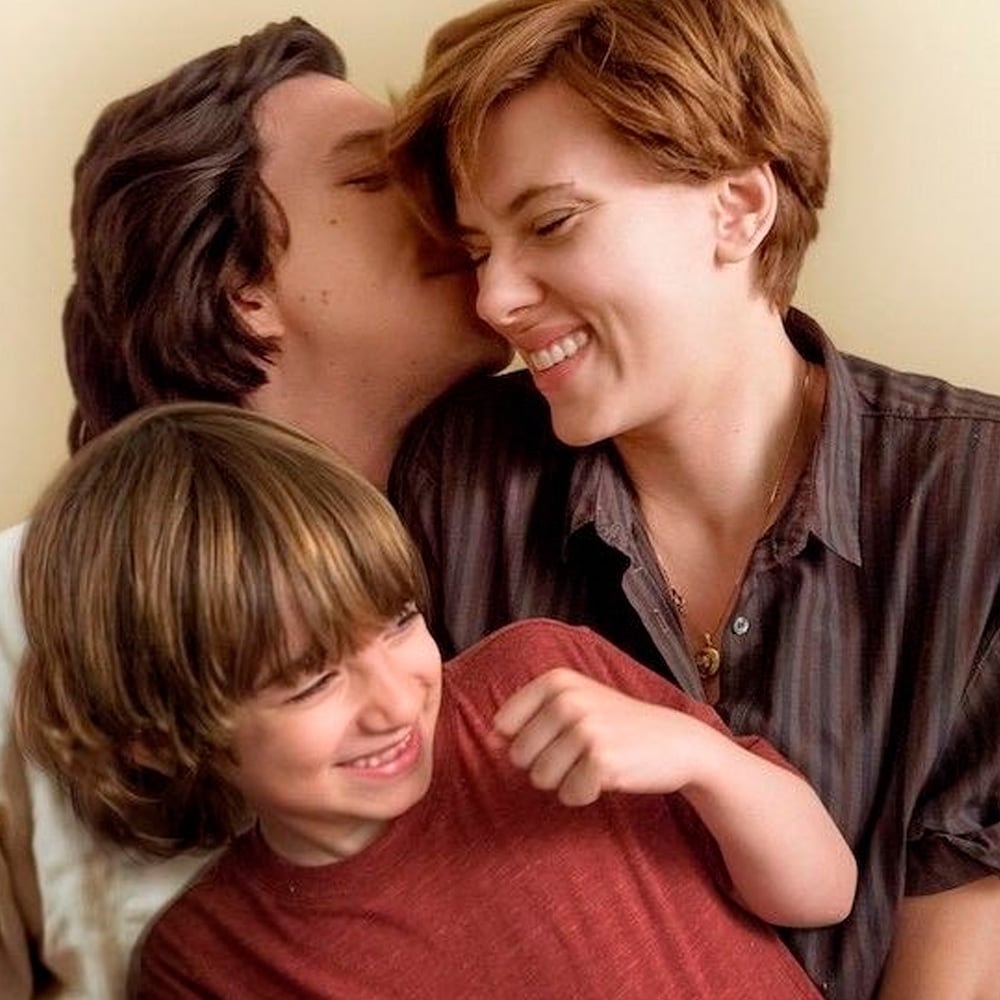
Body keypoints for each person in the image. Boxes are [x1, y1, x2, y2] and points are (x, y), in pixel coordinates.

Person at [386, 1, 1000, 998]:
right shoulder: (455, 484)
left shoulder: (977, 502)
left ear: (739, 207)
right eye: (478, 249)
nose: (494, 301)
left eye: (551, 222)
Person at [14, 401, 855, 998]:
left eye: (399, 623)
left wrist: (704, 761)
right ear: (158, 737)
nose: (394, 700)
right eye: (312, 681)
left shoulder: (542, 676)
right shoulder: (210, 960)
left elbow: (822, 894)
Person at [0, 17, 510, 998]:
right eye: (376, 176)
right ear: (244, 289)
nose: (458, 198)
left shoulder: (553, 529)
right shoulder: (15, 619)